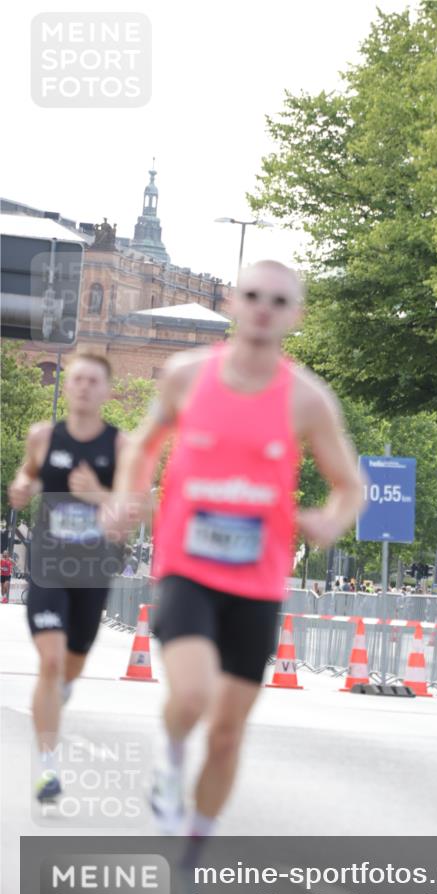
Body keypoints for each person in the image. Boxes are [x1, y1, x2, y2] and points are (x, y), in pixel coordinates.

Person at [105, 259, 365, 847]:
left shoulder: (307, 399)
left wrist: (329, 520)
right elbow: (142, 448)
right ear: (231, 303)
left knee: (226, 733)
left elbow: (351, 485)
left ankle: (193, 849)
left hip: (257, 581)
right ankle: (170, 761)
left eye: (279, 300)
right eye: (253, 295)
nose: (264, 307)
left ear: (294, 316)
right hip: (186, 567)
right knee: (192, 696)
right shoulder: (186, 375)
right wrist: (128, 496)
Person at [8, 353, 127, 802]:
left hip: (93, 568)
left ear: (106, 391)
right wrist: (23, 486)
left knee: (72, 661)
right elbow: (28, 473)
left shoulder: (120, 446)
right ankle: (46, 765)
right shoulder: (44, 435)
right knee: (51, 660)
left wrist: (102, 497)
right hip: (50, 563)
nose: (81, 387)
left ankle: (64, 690)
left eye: (93, 380)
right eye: (76, 379)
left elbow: (133, 507)